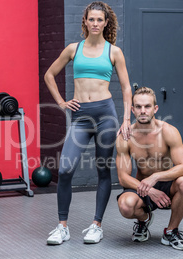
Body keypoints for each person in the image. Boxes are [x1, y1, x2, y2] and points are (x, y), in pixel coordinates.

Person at [44, 1, 132, 245]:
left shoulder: (113, 52)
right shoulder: (74, 49)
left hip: (106, 115)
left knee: (103, 170)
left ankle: (97, 225)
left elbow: (126, 88)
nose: (95, 23)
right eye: (91, 19)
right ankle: (62, 226)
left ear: (106, 23)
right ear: (85, 21)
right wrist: (62, 102)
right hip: (81, 117)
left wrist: (126, 119)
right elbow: (49, 75)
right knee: (64, 170)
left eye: (99, 20)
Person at [116, 87, 183, 251]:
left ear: (155, 109)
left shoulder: (168, 132)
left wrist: (156, 176)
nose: (143, 111)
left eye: (147, 106)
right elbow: (123, 177)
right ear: (132, 109)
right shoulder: (126, 136)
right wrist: (149, 189)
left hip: (166, 185)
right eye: (138, 107)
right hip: (142, 186)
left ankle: (171, 231)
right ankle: (144, 220)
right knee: (125, 205)